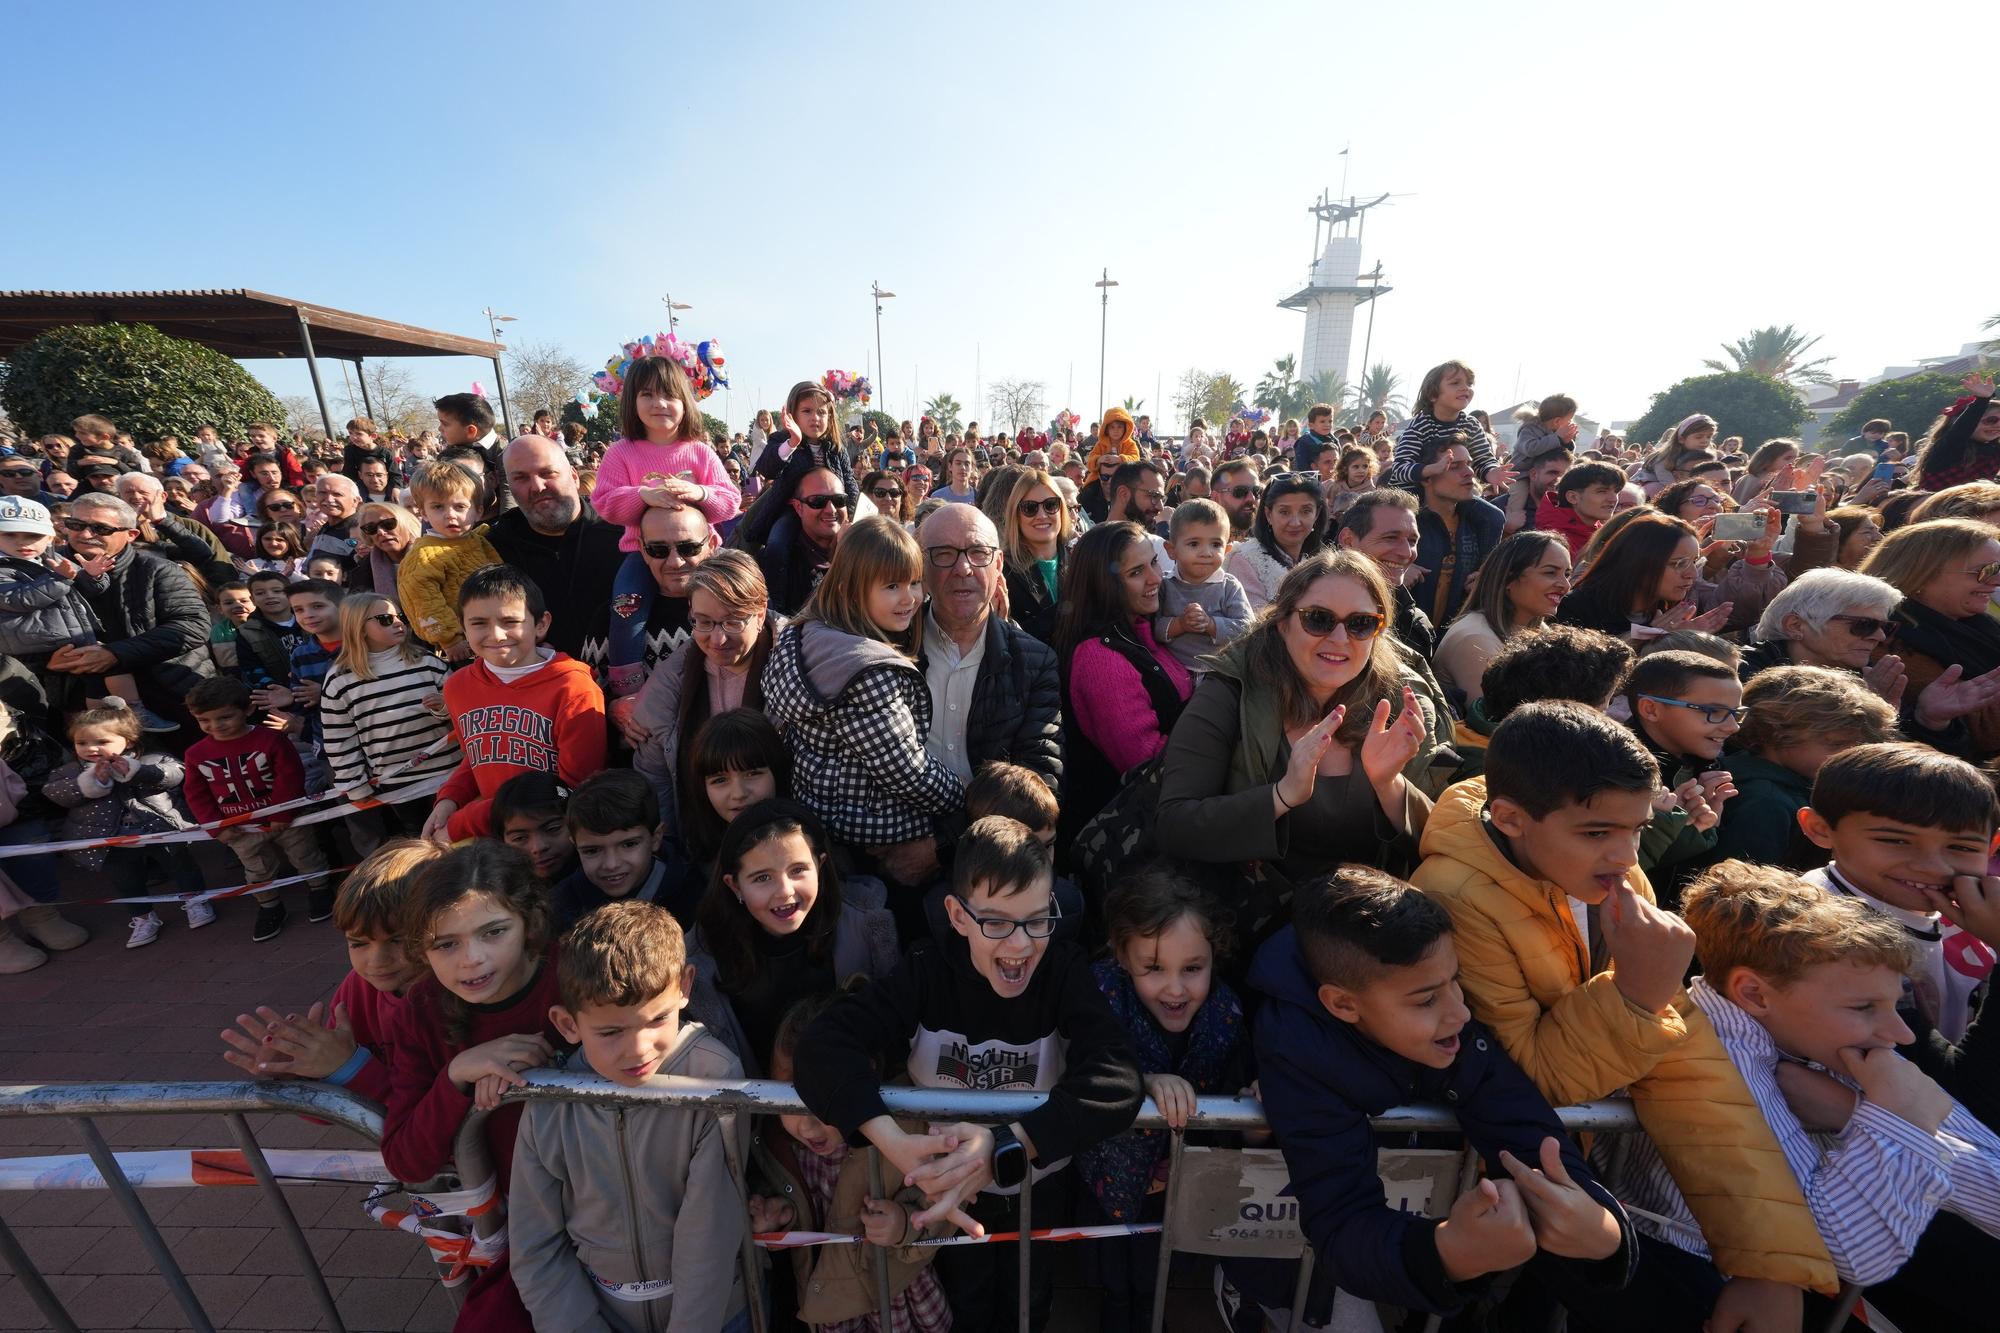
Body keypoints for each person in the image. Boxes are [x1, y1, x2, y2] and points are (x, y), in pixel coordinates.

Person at [1413, 702, 1835, 1324]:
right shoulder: (1453, 896)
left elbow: (1688, 1068)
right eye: (1597, 833)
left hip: (1567, 1181)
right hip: (1489, 1189)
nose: (1625, 855)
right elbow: (1526, 1080)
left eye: (1637, 830)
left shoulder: (1613, 875)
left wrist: (1768, 1263)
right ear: (1509, 819)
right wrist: (1638, 991)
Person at [1610, 863, 2000, 1332]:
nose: (1899, 1033)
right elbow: (1846, 1253)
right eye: (1864, 1008)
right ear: (1753, 993)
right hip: (1680, 1296)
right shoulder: (1712, 1057)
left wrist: (1855, 1110)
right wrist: (1901, 1116)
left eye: (1893, 1004)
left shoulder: (1823, 1041)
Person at [793, 817, 1144, 1333]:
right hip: (941, 1189)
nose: (1020, 945)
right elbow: (821, 1047)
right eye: (997, 922)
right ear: (957, 915)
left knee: (1031, 1300)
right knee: (968, 1302)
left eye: (1035, 920)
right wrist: (894, 1143)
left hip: (1037, 1187)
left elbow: (1119, 1079)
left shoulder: (1065, 972)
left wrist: (1009, 1146)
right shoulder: (925, 973)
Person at [1252, 865, 1634, 1321]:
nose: (1459, 1012)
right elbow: (1338, 1220)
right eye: (1427, 1000)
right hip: (1276, 1256)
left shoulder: (1445, 1021)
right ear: (1342, 1004)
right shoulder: (1294, 1047)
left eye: (1457, 981)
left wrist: (1604, 1229)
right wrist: (1449, 1253)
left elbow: (1524, 1125)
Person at [1156, 550, 1447, 937]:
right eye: (1319, 619)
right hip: (1255, 922)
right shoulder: (1229, 692)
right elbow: (1174, 824)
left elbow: (1442, 842)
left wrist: (1390, 786)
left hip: (1373, 927)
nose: (1339, 638)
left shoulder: (1401, 702)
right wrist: (1282, 796)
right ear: (1282, 623)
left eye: (1361, 624)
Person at [509, 899, 751, 1333]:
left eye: (657, 1019)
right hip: (601, 1312)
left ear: (685, 986)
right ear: (568, 1025)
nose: (638, 1049)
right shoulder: (548, 1099)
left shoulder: (714, 1078)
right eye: (611, 1032)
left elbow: (708, 1240)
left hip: (716, 1314)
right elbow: (535, 1246)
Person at [381, 841, 562, 1332]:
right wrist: (457, 1073)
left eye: (494, 932)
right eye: (446, 944)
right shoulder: (422, 1009)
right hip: (521, 1234)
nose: (472, 960)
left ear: (529, 922)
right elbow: (405, 1159)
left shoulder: (577, 976)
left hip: (612, 1211)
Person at [1077, 871, 1252, 1333]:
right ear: (1121, 956)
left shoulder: (1228, 1017)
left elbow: (1238, 1120)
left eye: (1192, 968)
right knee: (1114, 1282)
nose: (1175, 990)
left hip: (1177, 1192)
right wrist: (1144, 1081)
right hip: (1106, 1184)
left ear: (1215, 955)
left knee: (1158, 1280)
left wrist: (1255, 1109)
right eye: (1154, 969)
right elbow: (1078, 1069)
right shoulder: (1097, 998)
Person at [1799, 742, 2000, 1117]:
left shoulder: (1967, 907)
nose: (1930, 865)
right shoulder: (1829, 938)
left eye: (1960, 846)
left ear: (1992, 846)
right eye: (1894, 840)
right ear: (1820, 829)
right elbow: (1966, 1099)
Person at [761, 516, 964, 872]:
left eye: (915, 583)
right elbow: (907, 771)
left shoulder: (805, 634)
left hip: (825, 814)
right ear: (851, 588)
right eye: (891, 587)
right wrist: (963, 796)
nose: (910, 599)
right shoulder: (868, 673)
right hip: (879, 832)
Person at [748, 989, 954, 1333]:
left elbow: (943, 1207)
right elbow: (801, 1202)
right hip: (832, 1297)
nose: (808, 1125)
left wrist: (903, 1223)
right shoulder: (781, 1148)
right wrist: (780, 1212)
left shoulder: (904, 1129)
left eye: (824, 1104)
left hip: (892, 1293)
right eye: (793, 1106)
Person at [686, 798, 899, 1074]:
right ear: (734, 885)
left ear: (820, 866)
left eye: (798, 870)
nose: (785, 891)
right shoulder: (706, 956)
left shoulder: (865, 926)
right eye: (762, 878)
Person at [217, 839, 439, 1096]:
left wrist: (350, 1069)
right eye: (358, 943)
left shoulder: (460, 999)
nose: (377, 961)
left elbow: (428, 1126)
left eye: (397, 940)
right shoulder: (359, 987)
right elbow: (331, 1112)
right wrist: (297, 1071)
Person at [588, 352, 741, 699]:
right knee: (626, 609)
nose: (659, 404)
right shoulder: (620, 453)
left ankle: (737, 673)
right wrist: (644, 495)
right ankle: (629, 691)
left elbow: (729, 501)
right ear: (632, 402)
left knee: (735, 601)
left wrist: (700, 492)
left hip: (703, 555)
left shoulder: (700, 452)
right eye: (647, 395)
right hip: (643, 556)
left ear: (685, 402)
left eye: (669, 395)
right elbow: (605, 504)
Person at [422, 566, 607, 843]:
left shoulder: (573, 688)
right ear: (463, 626)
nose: (496, 635)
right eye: (479, 623)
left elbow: (572, 789)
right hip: (496, 837)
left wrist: (465, 822)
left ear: (541, 624)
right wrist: (450, 798)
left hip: (556, 839)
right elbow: (478, 756)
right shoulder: (457, 687)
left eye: (510, 622)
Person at [914, 503, 1062, 842]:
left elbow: (1038, 783)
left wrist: (942, 845)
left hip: (992, 856)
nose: (963, 568)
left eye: (978, 553)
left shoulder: (1035, 662)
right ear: (921, 565)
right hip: (893, 842)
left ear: (998, 565)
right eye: (944, 554)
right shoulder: (890, 649)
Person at [630, 551, 781, 836]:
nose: (717, 639)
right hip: (700, 845)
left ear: (760, 614)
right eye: (704, 622)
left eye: (733, 622)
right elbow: (656, 781)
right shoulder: (668, 688)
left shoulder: (798, 672)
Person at [1055, 522, 1192, 835]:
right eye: (1135, 572)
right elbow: (1145, 764)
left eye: (1154, 562)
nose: (1156, 578)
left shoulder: (1144, 628)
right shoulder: (1099, 659)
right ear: (1104, 584)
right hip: (1143, 835)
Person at [182, 675, 331, 943]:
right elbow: (196, 794)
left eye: (224, 717)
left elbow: (290, 776)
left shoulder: (271, 740)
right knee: (256, 868)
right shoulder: (195, 753)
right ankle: (270, 906)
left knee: (306, 855)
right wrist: (218, 827)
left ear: (248, 710)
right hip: (240, 828)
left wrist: (281, 814)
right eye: (204, 720)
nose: (215, 726)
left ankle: (320, 890)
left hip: (287, 819)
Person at [45, 700, 203, 950]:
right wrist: (88, 783)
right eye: (82, 742)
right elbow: (55, 793)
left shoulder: (150, 758)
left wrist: (138, 771)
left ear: (127, 741)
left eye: (102, 742)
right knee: (126, 881)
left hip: (159, 831)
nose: (91, 749)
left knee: (181, 866)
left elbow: (175, 773)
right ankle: (142, 917)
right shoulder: (70, 771)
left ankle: (196, 901)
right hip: (113, 842)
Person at [1707, 665, 1896, 871]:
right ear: (1774, 733)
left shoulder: (1793, 783)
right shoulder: (1765, 802)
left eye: (1856, 745)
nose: (1850, 753)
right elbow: (1738, 881)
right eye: (1836, 744)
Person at [0, 495, 169, 724]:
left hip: (67, 634)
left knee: (104, 666)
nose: (23, 543)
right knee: (98, 668)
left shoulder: (52, 558)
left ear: (50, 536)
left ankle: (126, 714)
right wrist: (59, 579)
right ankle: (113, 720)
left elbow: (83, 589)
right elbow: (16, 599)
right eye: (9, 535)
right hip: (35, 643)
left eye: (33, 535)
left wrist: (92, 576)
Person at [53, 492, 215, 723]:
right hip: (79, 700)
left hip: (170, 689)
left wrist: (115, 654)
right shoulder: (43, 569)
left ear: (131, 534)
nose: (86, 534)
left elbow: (192, 625)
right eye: (76, 524)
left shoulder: (159, 570)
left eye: (101, 529)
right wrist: (47, 661)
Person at [320, 595, 458, 856]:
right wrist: (354, 785)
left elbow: (461, 715)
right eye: (385, 619)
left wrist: (444, 707)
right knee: (421, 843)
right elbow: (340, 738)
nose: (397, 623)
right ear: (358, 626)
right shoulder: (339, 680)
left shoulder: (428, 662)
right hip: (398, 783)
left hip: (449, 773)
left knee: (457, 834)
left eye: (399, 617)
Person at [1865, 517, 2000, 757]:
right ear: (1922, 575)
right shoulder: (1886, 642)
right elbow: (1981, 730)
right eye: (1985, 572)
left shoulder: (1975, 623)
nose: (1996, 582)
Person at [1622, 650, 1742, 891]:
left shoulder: (1711, 769)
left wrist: (1699, 828)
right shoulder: (1619, 776)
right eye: (1713, 712)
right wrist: (1661, 823)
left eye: (1737, 713)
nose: (1733, 727)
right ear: (1651, 709)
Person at [586, 502, 716, 711]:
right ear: (642, 550)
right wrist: (612, 709)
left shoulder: (734, 611)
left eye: (688, 548)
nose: (675, 562)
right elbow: (587, 696)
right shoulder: (610, 618)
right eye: (658, 550)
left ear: (711, 545)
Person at [1433, 530, 1573, 708]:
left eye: (1567, 574)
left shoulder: (1539, 630)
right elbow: (1496, 722)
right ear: (1509, 578)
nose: (1565, 585)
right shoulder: (1475, 639)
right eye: (1550, 573)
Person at [548, 770, 696, 933]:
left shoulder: (693, 896)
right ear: (575, 846)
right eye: (592, 850)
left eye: (629, 844)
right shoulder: (559, 907)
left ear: (656, 838)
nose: (612, 864)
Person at [1553, 513, 1738, 640]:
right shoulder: (1575, 608)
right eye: (1679, 563)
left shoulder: (1671, 609)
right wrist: (1646, 637)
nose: (1692, 574)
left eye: (1695, 561)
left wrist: (1686, 642)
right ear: (1638, 563)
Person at [397, 460, 502, 661]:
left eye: (460, 506)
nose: (450, 515)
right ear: (423, 512)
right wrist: (450, 639)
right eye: (438, 507)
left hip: (494, 631)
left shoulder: (478, 540)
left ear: (478, 511)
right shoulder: (424, 555)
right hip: (464, 646)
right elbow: (423, 601)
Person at [1410, 435, 1506, 624]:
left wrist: (1485, 583)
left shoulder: (1484, 524)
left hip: (1453, 639)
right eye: (1454, 466)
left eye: (1469, 464)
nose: (1469, 472)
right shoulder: (1403, 524)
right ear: (1426, 477)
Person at [1335, 488, 1440, 659]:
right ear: (1348, 541)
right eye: (1391, 538)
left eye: (1412, 541)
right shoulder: (1306, 613)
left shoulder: (1413, 622)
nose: (1407, 553)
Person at [1155, 498, 1253, 674]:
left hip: (1218, 672)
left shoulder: (1228, 586)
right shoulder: (1164, 584)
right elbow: (1152, 628)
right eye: (1194, 544)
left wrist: (1211, 625)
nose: (1206, 553)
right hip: (1172, 670)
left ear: (1227, 550)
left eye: (1216, 545)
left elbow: (1247, 629)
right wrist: (1181, 624)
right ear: (1171, 550)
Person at [1381, 360, 1507, 490]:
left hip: (1454, 491)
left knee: (1491, 511)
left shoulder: (1471, 425)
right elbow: (1400, 468)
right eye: (1455, 383)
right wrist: (1432, 469)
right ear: (1433, 394)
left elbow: (1483, 459)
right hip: (1413, 496)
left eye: (1469, 383)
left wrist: (1491, 471)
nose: (1465, 388)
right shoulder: (1420, 426)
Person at [982, 467, 1070, 647]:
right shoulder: (1000, 570)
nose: (1042, 515)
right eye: (1030, 508)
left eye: (1051, 505)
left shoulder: (1081, 560)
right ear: (1015, 515)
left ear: (1061, 510)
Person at [754, 465, 851, 616]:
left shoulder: (861, 551)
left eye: (839, 500)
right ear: (798, 507)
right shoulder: (775, 563)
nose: (831, 509)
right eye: (817, 501)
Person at [1226, 471, 1328, 612]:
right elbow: (1253, 624)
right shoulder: (1245, 560)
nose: (1295, 522)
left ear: (1316, 514)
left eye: (1306, 511)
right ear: (1268, 514)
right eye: (1284, 512)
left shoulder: (1322, 561)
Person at [1914, 372, 2000, 491]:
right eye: (1991, 420)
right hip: (1938, 506)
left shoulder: (1995, 450)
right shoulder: (1949, 447)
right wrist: (1982, 400)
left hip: (1977, 505)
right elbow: (1962, 430)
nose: (1998, 426)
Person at [1535, 461, 1623, 558]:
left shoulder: (1607, 532)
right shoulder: (1550, 542)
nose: (1613, 499)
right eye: (1602, 491)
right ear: (1573, 497)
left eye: (1616, 491)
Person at [345, 501, 420, 599]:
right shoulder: (363, 571)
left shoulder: (434, 557)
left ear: (407, 525)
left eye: (388, 523)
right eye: (371, 528)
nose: (380, 532)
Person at [1210, 457, 1261, 544]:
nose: (1251, 498)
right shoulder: (1198, 541)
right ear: (1216, 498)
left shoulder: (1272, 537)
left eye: (1256, 491)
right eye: (1240, 491)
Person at [1291, 402, 1339, 474]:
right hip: (1312, 481)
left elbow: (1341, 463)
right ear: (1311, 425)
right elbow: (1302, 468)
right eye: (1322, 421)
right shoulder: (1304, 442)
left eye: (1330, 421)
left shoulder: (1334, 440)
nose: (1327, 424)